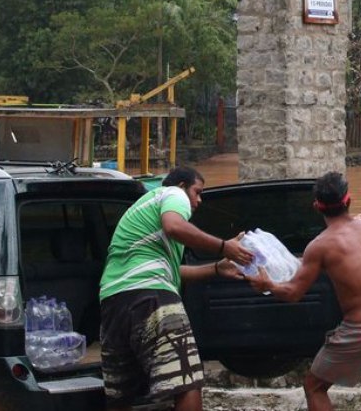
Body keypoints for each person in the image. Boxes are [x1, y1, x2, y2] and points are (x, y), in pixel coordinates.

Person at [247, 173, 361, 411]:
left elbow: (293, 293)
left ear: (316, 206)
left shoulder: (320, 245)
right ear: (349, 200)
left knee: (314, 387)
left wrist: (269, 285)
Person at [98, 166, 254, 411]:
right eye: (197, 192)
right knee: (186, 382)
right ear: (182, 186)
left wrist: (216, 268)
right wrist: (225, 247)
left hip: (113, 302)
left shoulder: (141, 213)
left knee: (123, 396)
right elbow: (174, 226)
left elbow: (169, 271)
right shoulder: (172, 194)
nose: (199, 200)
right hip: (151, 298)